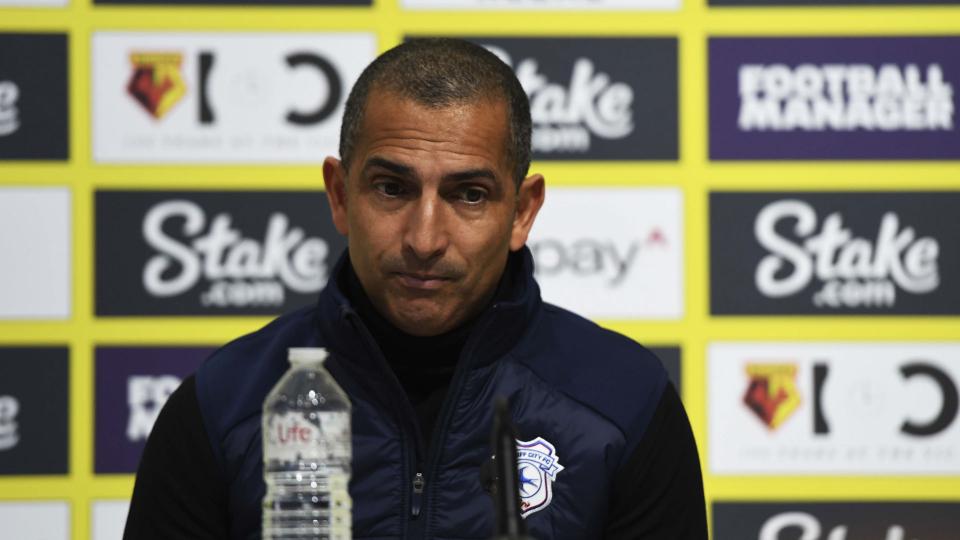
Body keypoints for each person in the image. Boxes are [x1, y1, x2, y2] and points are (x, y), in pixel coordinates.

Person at [124, 38, 707, 539]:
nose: (425, 238)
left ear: (523, 212)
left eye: (469, 194)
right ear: (339, 194)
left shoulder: (624, 404)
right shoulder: (223, 406)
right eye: (391, 188)